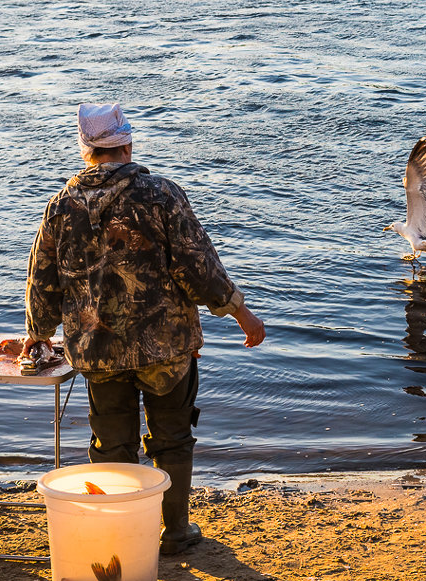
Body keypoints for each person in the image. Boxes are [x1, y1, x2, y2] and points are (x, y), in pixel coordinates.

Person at [22, 102, 265, 554]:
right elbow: (200, 268)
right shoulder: (162, 195)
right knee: (172, 437)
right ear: (127, 145)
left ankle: (119, 531)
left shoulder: (60, 206)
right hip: (166, 349)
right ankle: (173, 533)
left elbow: (42, 279)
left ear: (85, 150)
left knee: (111, 444)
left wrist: (36, 332)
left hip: (98, 351)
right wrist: (239, 312)